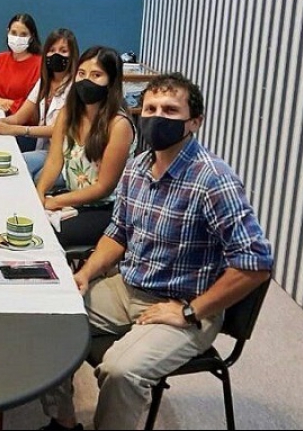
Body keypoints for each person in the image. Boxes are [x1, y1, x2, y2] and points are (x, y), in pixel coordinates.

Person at [40, 72, 273, 430]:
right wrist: (85, 273)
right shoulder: (137, 167)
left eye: (170, 110)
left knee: (120, 370)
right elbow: (117, 233)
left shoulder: (213, 179)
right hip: (127, 288)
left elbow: (255, 264)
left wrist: (192, 311)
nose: (157, 117)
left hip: (185, 304)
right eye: (150, 109)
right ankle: (65, 423)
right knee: (48, 319)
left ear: (195, 122)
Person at [34, 46, 135, 248]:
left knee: (44, 236)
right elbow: (54, 161)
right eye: (81, 73)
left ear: (111, 81)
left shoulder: (119, 125)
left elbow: (104, 187)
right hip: (72, 199)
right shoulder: (67, 113)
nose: (86, 80)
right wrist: (40, 193)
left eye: (96, 75)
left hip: (106, 209)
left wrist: (55, 202)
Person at [0, 28, 79, 182]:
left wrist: (17, 130)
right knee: (16, 165)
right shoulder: (44, 82)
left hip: (68, 155)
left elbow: (58, 129)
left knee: (36, 178)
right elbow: (19, 117)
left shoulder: (76, 86)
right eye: (52, 50)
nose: (56, 55)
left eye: (63, 51)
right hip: (48, 151)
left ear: (73, 55)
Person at [0, 13, 42, 116]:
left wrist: (5, 102)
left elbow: (36, 106)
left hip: (21, 122)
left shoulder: (40, 65)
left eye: (23, 34)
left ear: (31, 37)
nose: (17, 38)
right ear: (8, 32)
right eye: (13, 33)